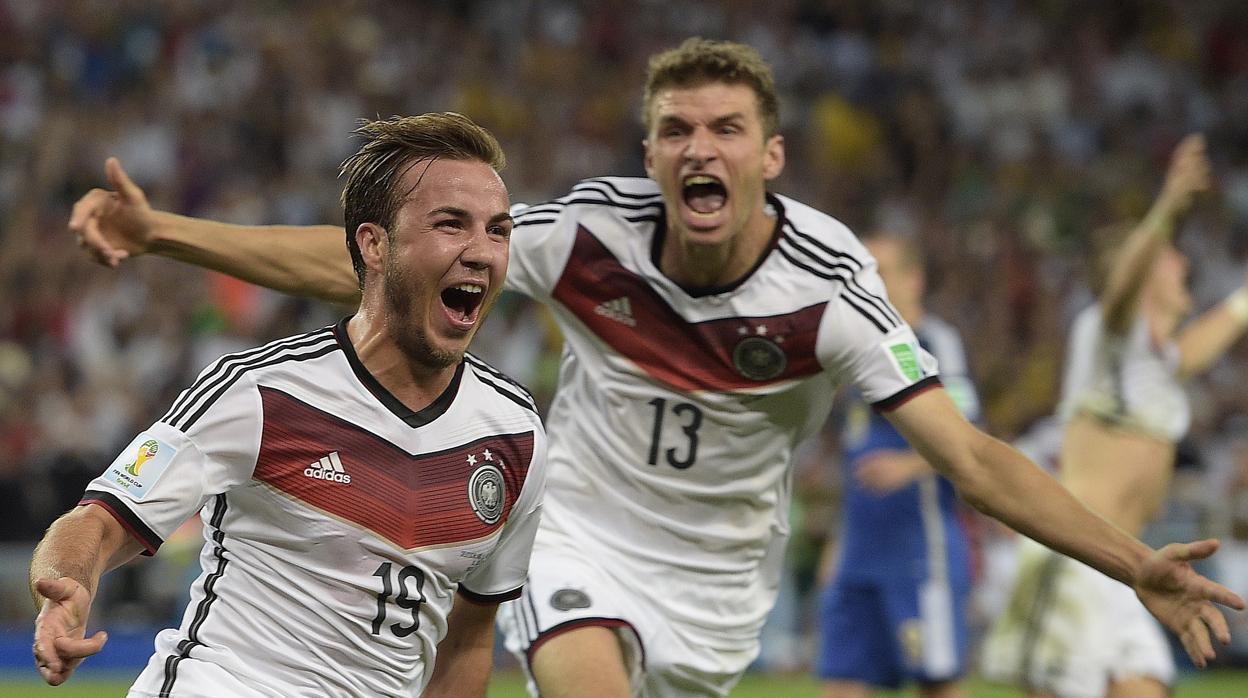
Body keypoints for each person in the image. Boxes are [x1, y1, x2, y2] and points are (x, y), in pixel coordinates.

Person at [68, 39, 1241, 698]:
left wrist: (1137, 561)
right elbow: (372, 263)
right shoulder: (590, 236)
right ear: (649, 152)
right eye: (675, 128)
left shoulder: (829, 292)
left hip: (722, 585)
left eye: (725, 128)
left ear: (770, 156)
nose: (698, 147)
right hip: (575, 529)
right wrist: (171, 231)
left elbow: (974, 458)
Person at [34, 113, 549, 697]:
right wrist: (69, 584)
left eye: (498, 231)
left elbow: (470, 639)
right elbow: (100, 521)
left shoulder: (515, 436)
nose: (482, 252)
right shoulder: (262, 392)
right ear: (374, 245)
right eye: (451, 225)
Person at [981, 135, 1248, 698]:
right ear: (1146, 267)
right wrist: (1171, 203)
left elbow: (1205, 340)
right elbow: (1124, 288)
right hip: (1075, 561)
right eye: (1172, 254)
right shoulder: (1104, 332)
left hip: (1131, 570)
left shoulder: (1154, 359)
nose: (1185, 263)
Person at [816, 234, 978, 698]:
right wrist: (838, 542)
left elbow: (971, 431)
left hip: (920, 551)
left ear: (914, 279)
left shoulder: (937, 342)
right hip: (858, 554)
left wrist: (908, 467)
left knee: (937, 682)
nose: (870, 284)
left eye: (881, 272)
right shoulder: (851, 351)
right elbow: (853, 458)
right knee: (841, 681)